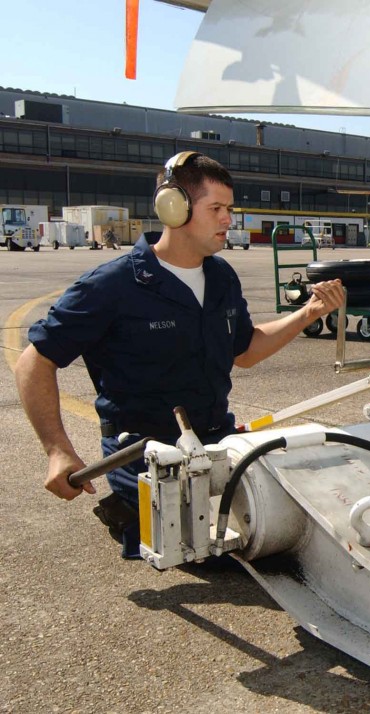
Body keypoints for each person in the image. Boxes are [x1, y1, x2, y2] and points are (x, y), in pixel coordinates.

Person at [14, 152, 346, 558]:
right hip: (148, 459)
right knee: (227, 551)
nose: (229, 220)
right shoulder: (114, 285)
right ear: (174, 208)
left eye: (230, 209)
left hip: (216, 447)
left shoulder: (221, 276)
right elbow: (35, 360)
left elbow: (245, 351)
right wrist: (57, 450)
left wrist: (308, 314)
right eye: (217, 209)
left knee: (305, 519)